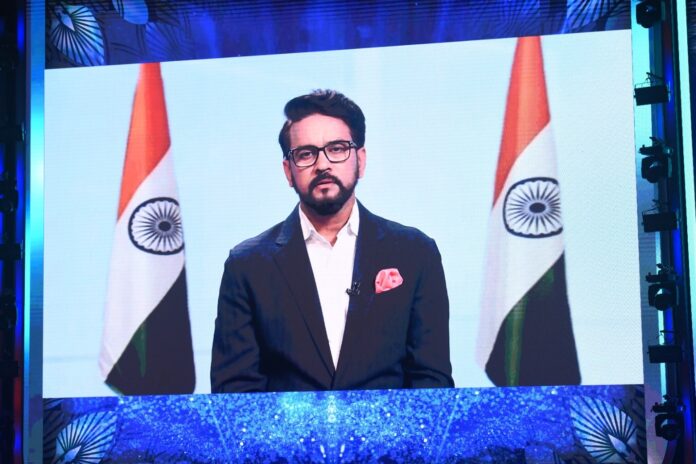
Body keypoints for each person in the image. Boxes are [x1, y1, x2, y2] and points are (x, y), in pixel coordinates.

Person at [211, 90, 453, 392]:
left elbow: (431, 381)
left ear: (360, 160)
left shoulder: (415, 252)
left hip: (388, 437)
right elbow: (235, 391)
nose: (322, 164)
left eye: (337, 149)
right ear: (288, 171)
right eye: (306, 153)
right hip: (286, 438)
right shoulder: (247, 265)